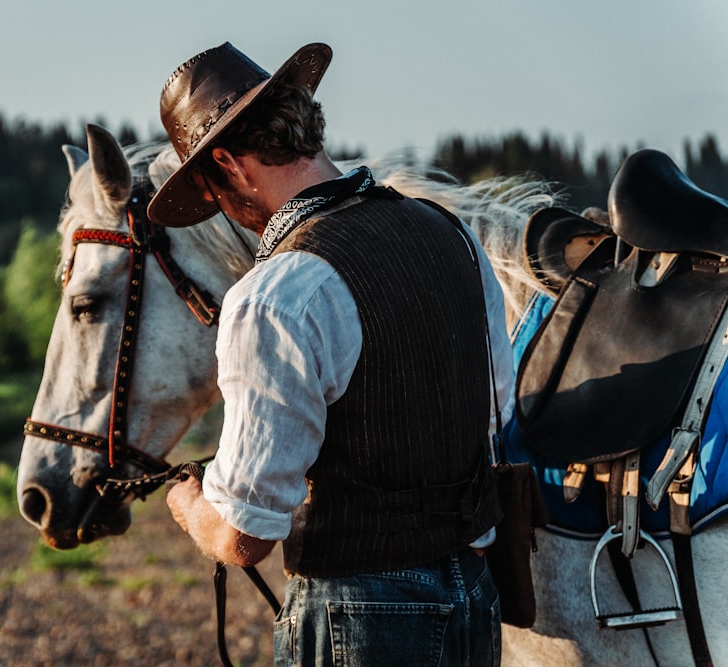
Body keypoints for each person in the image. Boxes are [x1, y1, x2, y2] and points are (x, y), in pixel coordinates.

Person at [149, 42, 513, 666]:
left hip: (361, 617)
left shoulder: (273, 296)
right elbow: (496, 413)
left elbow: (243, 537)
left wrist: (190, 505)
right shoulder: (450, 234)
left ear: (230, 165)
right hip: (475, 598)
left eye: (212, 189)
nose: (222, 209)